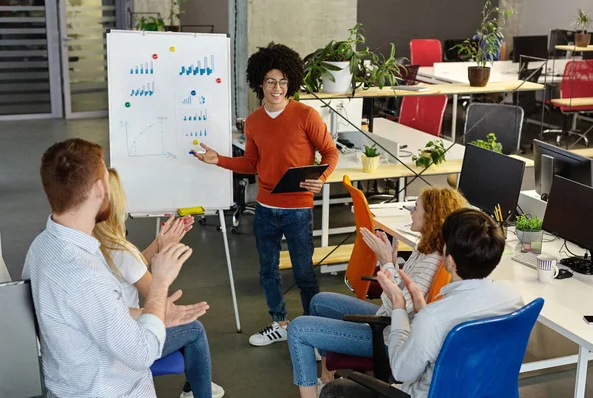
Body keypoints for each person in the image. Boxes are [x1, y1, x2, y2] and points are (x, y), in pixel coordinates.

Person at [23, 138, 208, 398]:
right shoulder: (86, 273)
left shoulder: (41, 247)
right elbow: (142, 353)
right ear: (100, 189)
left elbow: (84, 314)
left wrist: (150, 315)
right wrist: (160, 283)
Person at [193, 42, 339, 347]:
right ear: (260, 83)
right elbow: (250, 163)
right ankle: (279, 322)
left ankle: (315, 332)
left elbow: (329, 152)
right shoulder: (254, 121)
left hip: (298, 208)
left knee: (303, 272)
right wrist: (217, 159)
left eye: (283, 81)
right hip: (265, 208)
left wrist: (321, 178)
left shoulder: (306, 115)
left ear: (291, 83)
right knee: (268, 271)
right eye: (271, 81)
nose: (277, 87)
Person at [321, 208, 524, 398]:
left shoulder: (434, 318)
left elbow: (401, 370)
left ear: (450, 262)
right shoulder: (512, 297)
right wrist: (422, 311)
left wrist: (399, 307)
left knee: (334, 390)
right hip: (482, 390)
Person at [287, 187, 468, 398]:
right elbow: (401, 294)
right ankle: (327, 378)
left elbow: (399, 305)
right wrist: (389, 264)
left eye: (416, 207)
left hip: (391, 336)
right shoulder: (424, 247)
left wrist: (387, 264)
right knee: (319, 302)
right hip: (388, 319)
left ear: (432, 215)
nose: (410, 210)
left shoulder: (432, 260)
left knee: (298, 329)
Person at [93, 168, 224, 398]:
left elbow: (131, 266)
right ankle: (199, 392)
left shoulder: (94, 242)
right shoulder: (121, 250)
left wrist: (159, 244)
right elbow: (157, 298)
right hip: (127, 345)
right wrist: (164, 266)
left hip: (101, 342)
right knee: (194, 329)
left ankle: (194, 385)